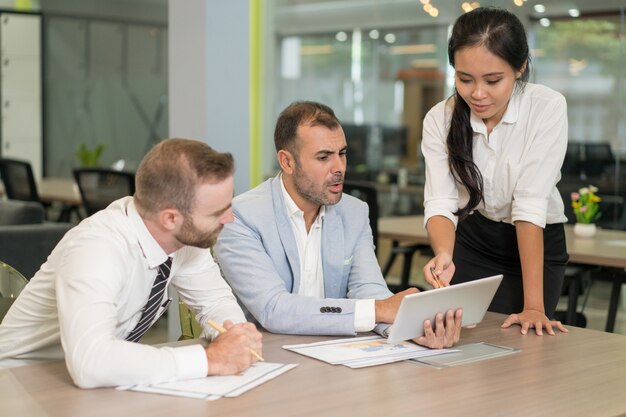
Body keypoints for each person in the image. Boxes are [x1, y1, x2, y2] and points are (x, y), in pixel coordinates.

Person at [0, 138, 263, 388]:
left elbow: (215, 303)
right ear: (170, 218)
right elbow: (91, 361)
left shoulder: (186, 240)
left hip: (101, 384)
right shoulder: (97, 247)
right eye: (218, 212)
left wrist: (236, 337)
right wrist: (208, 360)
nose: (229, 219)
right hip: (20, 385)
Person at [215, 101, 462, 348]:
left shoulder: (353, 212)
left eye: (342, 154)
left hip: (331, 355)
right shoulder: (241, 217)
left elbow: (370, 291)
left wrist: (410, 328)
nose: (339, 168)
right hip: (263, 355)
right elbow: (274, 309)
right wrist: (381, 310)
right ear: (287, 162)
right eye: (323, 157)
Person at [421, 7, 569, 336]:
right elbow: (441, 201)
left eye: (492, 80)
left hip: (536, 244)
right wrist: (444, 253)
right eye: (464, 79)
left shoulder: (547, 108)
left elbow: (529, 205)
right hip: (474, 240)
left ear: (520, 68)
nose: (477, 93)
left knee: (525, 345)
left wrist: (533, 306)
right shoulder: (439, 119)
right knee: (465, 342)